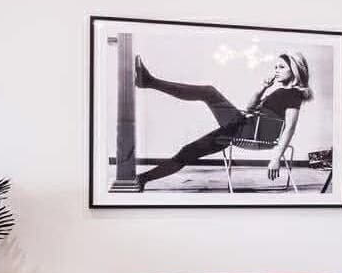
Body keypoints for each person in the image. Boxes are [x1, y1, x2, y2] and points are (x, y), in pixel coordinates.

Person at [132, 51, 311, 188]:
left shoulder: (294, 94)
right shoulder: (282, 92)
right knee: (188, 151)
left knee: (209, 93)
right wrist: (262, 88)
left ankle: (148, 82)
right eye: (275, 67)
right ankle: (142, 179)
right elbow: (249, 108)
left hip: (245, 130)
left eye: (281, 67)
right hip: (240, 126)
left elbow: (290, 128)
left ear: (294, 70)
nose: (276, 71)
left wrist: (276, 157)